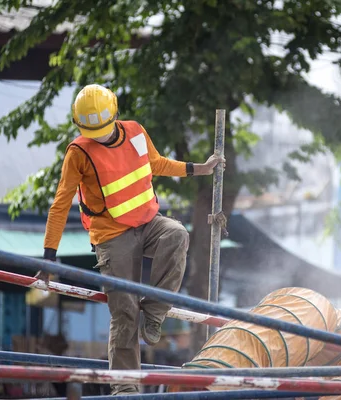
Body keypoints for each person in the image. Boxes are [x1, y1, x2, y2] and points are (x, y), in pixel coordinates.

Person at [34, 83, 225, 395]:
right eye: (92, 132)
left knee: (177, 234)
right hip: (111, 236)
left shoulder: (135, 131)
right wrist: (48, 259)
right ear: (81, 127)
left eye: (104, 130)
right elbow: (59, 204)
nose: (100, 137)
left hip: (148, 222)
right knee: (124, 311)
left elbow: (157, 163)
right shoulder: (78, 153)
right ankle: (125, 387)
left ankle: (154, 312)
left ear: (116, 117)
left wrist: (200, 169)